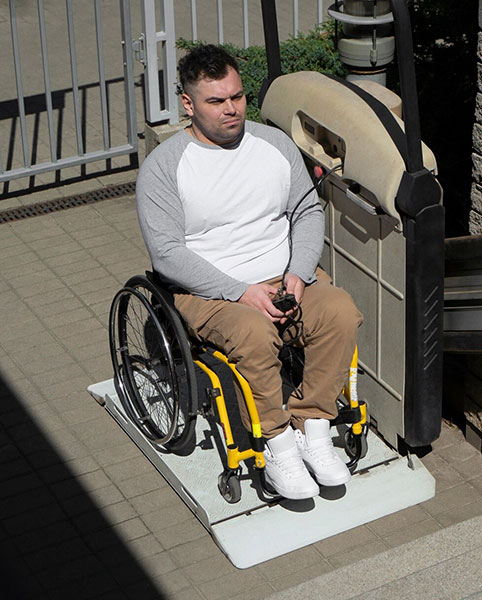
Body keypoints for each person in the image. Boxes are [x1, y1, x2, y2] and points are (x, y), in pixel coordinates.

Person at [135, 44, 363, 500]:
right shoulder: (164, 168)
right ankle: (277, 445)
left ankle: (312, 427)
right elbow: (167, 255)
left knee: (340, 312)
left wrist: (298, 272)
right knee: (254, 336)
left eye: (237, 96)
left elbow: (306, 212)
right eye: (216, 101)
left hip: (284, 277)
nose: (231, 109)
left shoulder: (274, 145)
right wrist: (240, 291)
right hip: (210, 292)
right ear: (188, 104)